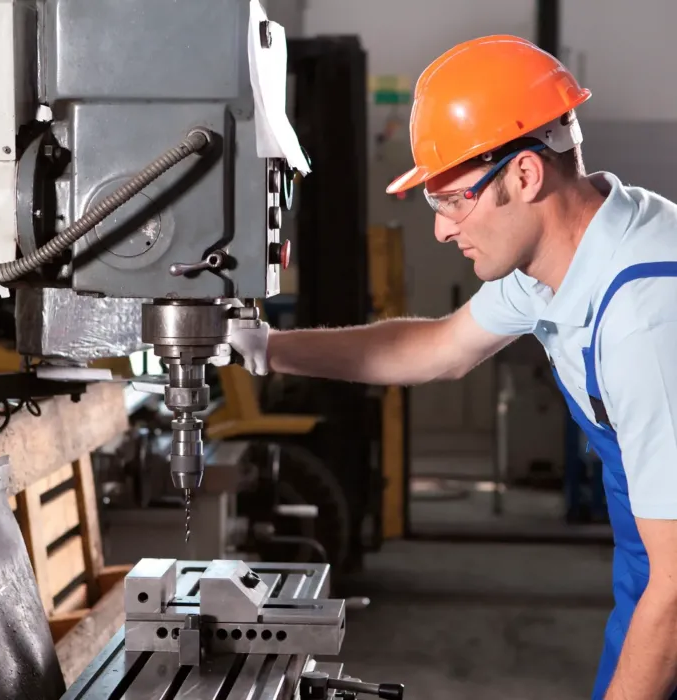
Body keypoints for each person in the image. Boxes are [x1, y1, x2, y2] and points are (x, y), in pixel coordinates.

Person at [230, 34, 677, 699]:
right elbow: (439, 348)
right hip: (651, 581)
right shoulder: (558, 260)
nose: (442, 229)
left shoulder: (646, 314)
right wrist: (266, 347)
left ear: (524, 176)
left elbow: (676, 589)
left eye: (453, 200)